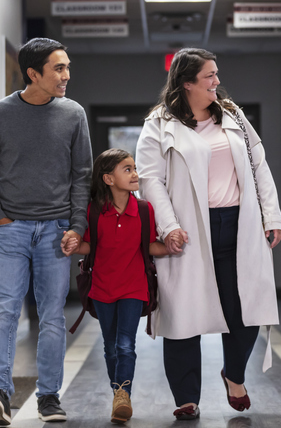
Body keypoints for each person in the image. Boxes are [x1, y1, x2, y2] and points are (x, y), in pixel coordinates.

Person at [135, 48, 281, 420]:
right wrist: (168, 226)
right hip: (189, 231)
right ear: (187, 83)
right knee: (183, 313)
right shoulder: (159, 123)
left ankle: (233, 374)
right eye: (209, 76)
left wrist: (272, 215)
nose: (217, 81)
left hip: (239, 225)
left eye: (217, 74)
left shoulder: (232, 115)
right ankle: (186, 397)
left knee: (247, 309)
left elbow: (258, 165)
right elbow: (151, 181)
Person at [0, 37, 92, 425]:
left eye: (67, 66)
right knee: (5, 310)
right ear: (33, 73)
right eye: (59, 68)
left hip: (56, 231)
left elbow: (82, 176)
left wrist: (76, 225)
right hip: (11, 231)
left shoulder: (73, 114)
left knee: (52, 315)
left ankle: (49, 397)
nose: (67, 75)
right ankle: (0, 392)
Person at [64, 148, 177, 424]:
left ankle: (123, 394)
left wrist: (171, 246)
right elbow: (91, 246)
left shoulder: (144, 209)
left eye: (134, 168)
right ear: (108, 179)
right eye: (127, 169)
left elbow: (149, 246)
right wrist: (76, 245)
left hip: (133, 287)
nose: (135, 174)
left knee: (126, 344)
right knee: (110, 346)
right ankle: (118, 392)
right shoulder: (93, 211)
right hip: (102, 288)